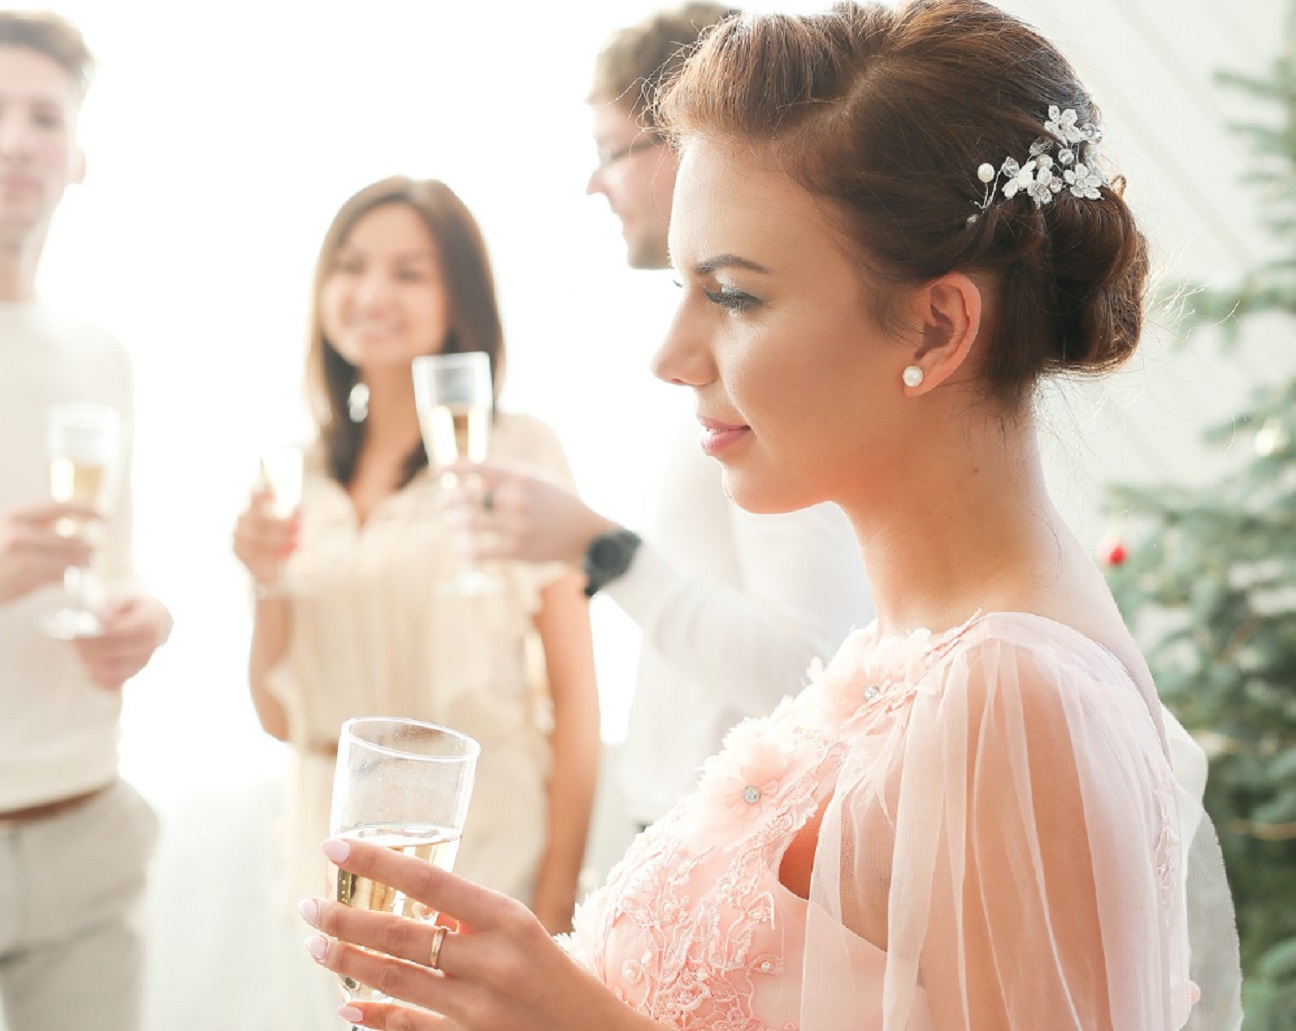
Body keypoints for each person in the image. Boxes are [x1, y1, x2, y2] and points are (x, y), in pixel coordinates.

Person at [296, 1, 1247, 1029]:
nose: (669, 356)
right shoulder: (917, 649)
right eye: (681, 286)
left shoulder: (1012, 698)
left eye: (734, 296)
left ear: (937, 325)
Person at [455, 1, 873, 837]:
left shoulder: (768, 368)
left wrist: (599, 547)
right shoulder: (714, 351)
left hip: (738, 844)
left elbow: (808, 660)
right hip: (685, 825)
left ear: (689, 139)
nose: (593, 183)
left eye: (611, 151)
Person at [230, 175, 600, 1023]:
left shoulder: (518, 450)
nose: (371, 294)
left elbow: (577, 697)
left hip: (482, 846)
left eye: (408, 272)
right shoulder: (294, 474)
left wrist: (555, 903)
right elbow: (278, 714)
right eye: (351, 265)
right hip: (331, 853)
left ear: (458, 297)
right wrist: (265, 578)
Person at [0, 11, 172, 1031]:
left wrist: (145, 616)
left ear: (77, 157)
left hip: (85, 828)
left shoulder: (100, 356)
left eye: (44, 117)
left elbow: (115, 562)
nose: (17, 139)